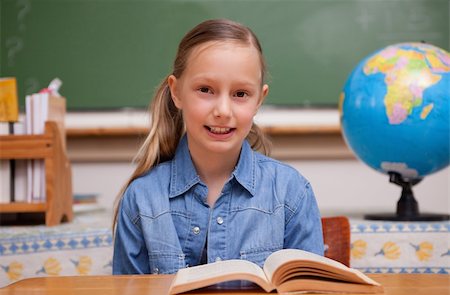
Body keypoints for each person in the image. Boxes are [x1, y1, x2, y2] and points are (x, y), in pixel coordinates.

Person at [112, 19, 324, 275]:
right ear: (176, 92)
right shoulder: (140, 199)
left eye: (240, 94)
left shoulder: (292, 193)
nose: (223, 111)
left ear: (259, 100)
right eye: (205, 89)